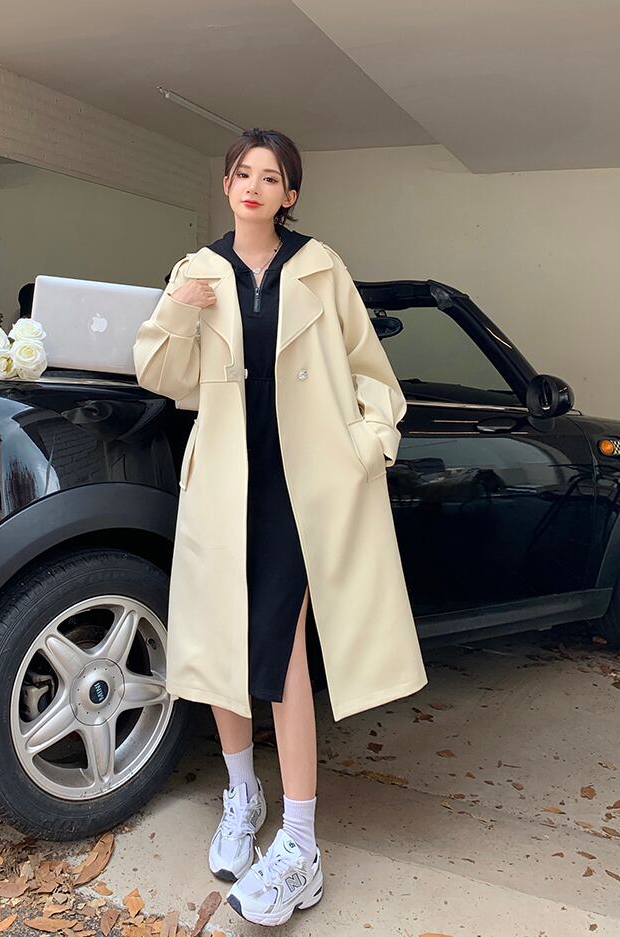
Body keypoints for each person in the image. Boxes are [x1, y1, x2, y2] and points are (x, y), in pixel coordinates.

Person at [133, 129, 426, 927]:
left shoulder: (320, 267)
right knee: (222, 638)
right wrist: (178, 310)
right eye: (242, 173)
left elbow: (372, 373)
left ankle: (300, 843)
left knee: (282, 644)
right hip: (227, 483)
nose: (254, 186)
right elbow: (162, 376)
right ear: (227, 184)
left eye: (271, 177)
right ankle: (242, 796)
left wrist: (372, 443)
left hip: (303, 486)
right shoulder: (197, 270)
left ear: (290, 194)